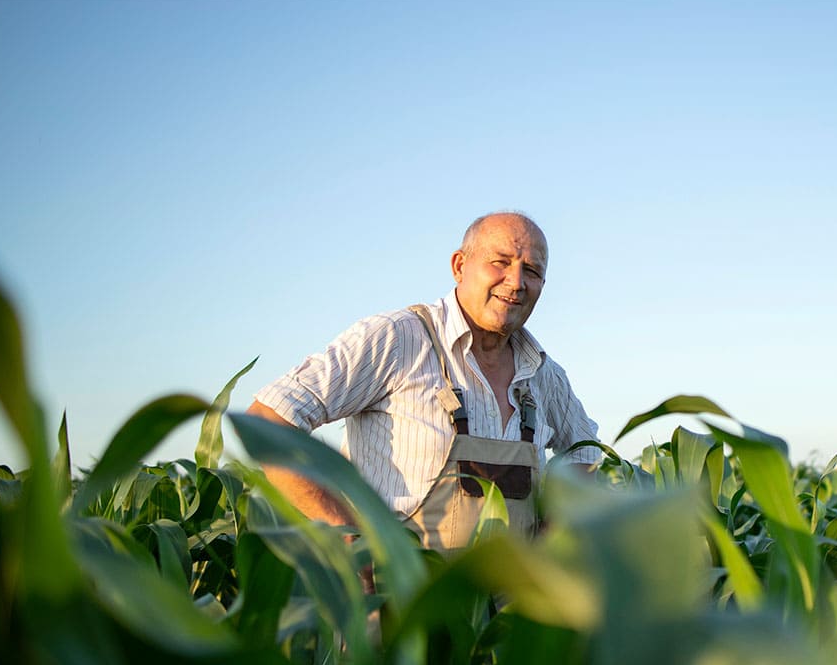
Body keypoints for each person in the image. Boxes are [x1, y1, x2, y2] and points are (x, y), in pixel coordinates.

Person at [248, 211, 600, 555]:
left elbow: (585, 452)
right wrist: (342, 530)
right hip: (402, 603)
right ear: (460, 266)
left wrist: (554, 532)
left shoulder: (543, 373)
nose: (516, 282)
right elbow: (268, 418)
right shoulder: (398, 339)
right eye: (500, 262)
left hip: (509, 609)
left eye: (532, 271)